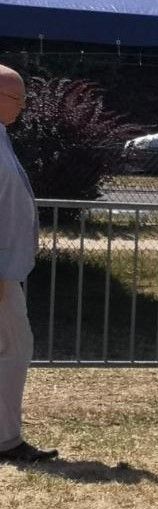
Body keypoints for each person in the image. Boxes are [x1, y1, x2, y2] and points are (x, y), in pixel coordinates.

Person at [0, 64, 58, 462]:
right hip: (2, 272)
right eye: (17, 99)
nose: (22, 107)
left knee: (13, 347)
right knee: (14, 348)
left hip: (7, 268)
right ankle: (5, 439)